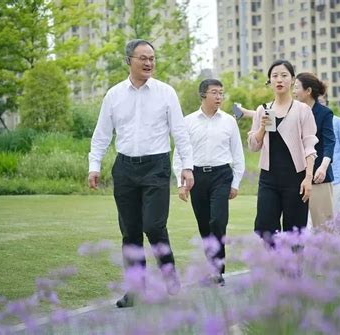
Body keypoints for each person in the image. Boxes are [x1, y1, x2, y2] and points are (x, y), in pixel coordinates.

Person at [88, 39, 194, 307]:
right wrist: (95, 165)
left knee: (154, 226)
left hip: (156, 167)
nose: (149, 63)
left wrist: (187, 167)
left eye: (152, 58)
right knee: (130, 231)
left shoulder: (166, 92)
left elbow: (180, 133)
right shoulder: (113, 95)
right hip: (124, 169)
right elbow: (101, 134)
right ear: (129, 61)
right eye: (143, 58)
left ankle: (169, 274)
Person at [173, 79, 245, 286]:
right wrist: (181, 182)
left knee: (217, 221)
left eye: (221, 93)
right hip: (196, 177)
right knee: (204, 225)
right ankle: (211, 267)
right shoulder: (188, 122)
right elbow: (179, 154)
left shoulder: (229, 122)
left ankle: (218, 269)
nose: (219, 97)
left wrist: (236, 183)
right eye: (215, 93)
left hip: (222, 176)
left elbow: (237, 154)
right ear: (203, 95)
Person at [248, 60, 318, 245]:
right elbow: (254, 147)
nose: (279, 79)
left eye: (284, 75)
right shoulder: (262, 110)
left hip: (296, 179)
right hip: (269, 179)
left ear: (292, 80)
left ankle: (293, 272)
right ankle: (277, 268)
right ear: (269, 81)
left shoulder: (302, 110)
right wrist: (262, 128)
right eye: (275, 76)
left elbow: (310, 146)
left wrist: (308, 178)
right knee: (265, 228)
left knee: (295, 233)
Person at [293, 73, 336, 228]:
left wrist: (323, 168)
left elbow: (329, 143)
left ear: (308, 90)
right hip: (297, 175)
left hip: (319, 176)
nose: (293, 91)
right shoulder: (293, 111)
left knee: (324, 226)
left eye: (296, 87)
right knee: (297, 226)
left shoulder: (324, 113)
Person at [319, 94, 340, 214]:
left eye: (321, 102)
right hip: (313, 178)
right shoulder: (306, 121)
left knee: (336, 215)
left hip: (336, 177)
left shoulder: (337, 122)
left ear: (326, 103)